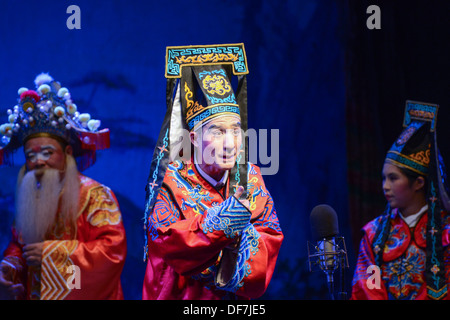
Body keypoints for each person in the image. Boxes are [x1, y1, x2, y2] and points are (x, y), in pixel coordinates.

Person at [142, 43, 284, 299]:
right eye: (217, 132)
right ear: (194, 138)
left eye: (236, 130)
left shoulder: (249, 176)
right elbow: (169, 247)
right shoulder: (171, 182)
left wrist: (209, 244)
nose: (231, 143)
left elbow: (270, 240)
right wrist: (223, 223)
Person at [0, 73, 127, 300]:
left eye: (47, 153)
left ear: (67, 153)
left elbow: (112, 251)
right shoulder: (31, 195)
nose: (38, 161)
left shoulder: (95, 195)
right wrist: (10, 266)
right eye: (31, 155)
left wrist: (51, 254)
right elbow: (19, 246)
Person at [351, 100, 450, 300]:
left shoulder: (446, 232)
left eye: (393, 178)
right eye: (383, 178)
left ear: (419, 183)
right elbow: (365, 288)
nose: (385, 186)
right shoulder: (373, 234)